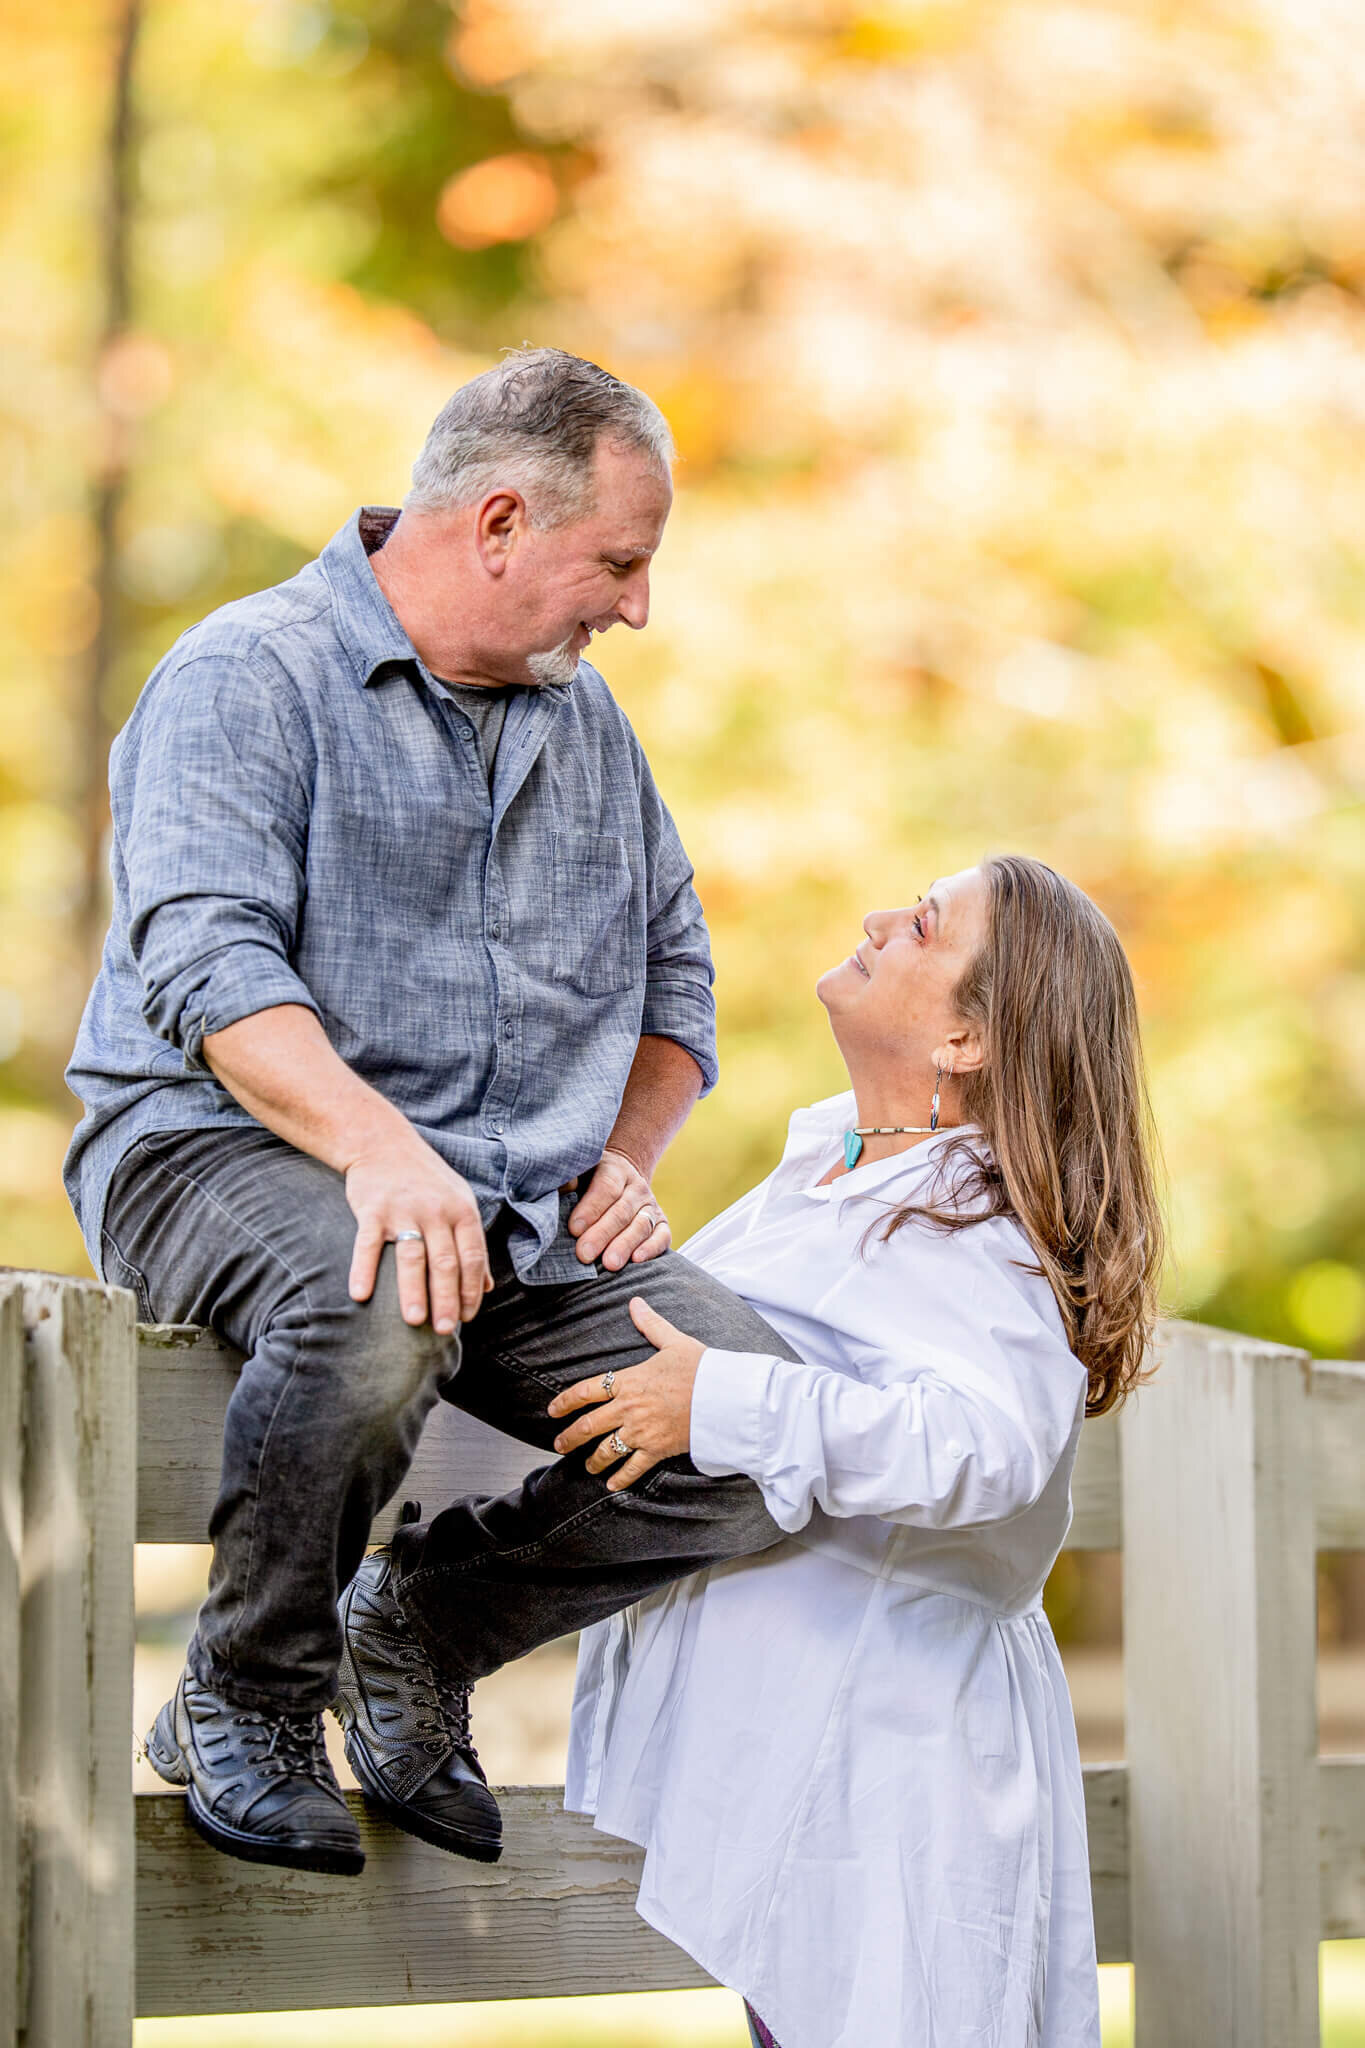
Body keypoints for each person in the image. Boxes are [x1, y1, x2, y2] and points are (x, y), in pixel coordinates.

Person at [65, 348, 801, 1877]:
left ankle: (416, 1625)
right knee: (384, 1295)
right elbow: (209, 967)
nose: (637, 606)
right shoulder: (246, 675)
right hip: (213, 1142)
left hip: (509, 1196)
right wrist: (384, 1155)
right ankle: (241, 1703)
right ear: (499, 522)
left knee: (766, 1416)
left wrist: (622, 1158)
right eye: (621, 562)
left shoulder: (582, 723)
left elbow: (679, 974)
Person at [551, 856, 1164, 2048]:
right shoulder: (833, 1169)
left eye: (926, 925)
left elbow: (987, 1445)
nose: (884, 917)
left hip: (883, 1767)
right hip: (795, 1748)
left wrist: (722, 1401)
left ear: (969, 1038)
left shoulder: (984, 1222)